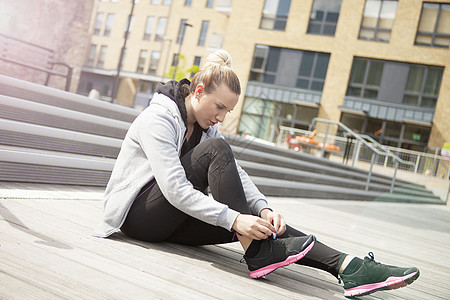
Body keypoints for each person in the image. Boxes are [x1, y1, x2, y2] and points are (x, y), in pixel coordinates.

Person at [94, 50, 419, 297]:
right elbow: (175, 188)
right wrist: (235, 220)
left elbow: (234, 174)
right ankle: (261, 255)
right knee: (227, 179)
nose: (222, 117)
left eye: (229, 111)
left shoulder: (207, 128)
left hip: (174, 221)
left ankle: (348, 267)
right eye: (219, 107)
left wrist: (262, 208)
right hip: (139, 218)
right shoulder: (159, 118)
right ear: (199, 91)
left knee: (259, 221)